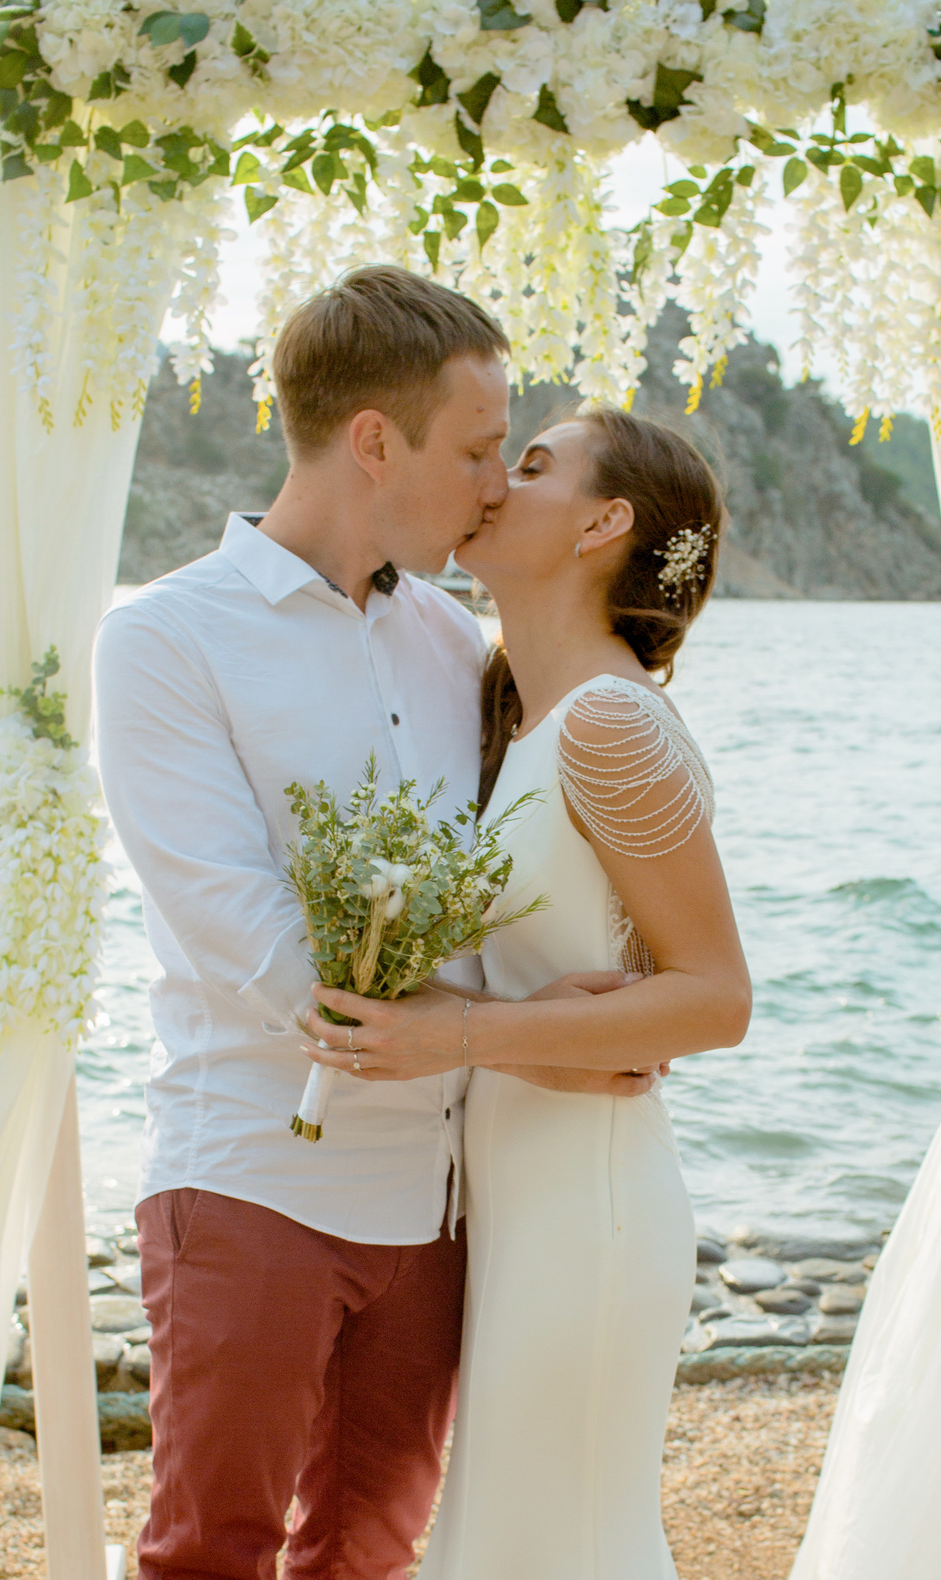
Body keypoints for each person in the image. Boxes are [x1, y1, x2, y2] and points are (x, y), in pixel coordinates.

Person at [93, 267, 654, 1580]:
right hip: (249, 1177)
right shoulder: (167, 640)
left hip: (433, 1202)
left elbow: (501, 886)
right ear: (371, 442)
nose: (491, 486)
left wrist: (577, 1005)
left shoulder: (454, 645)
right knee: (209, 1552)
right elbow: (236, 926)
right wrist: (501, 1039)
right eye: (471, 449)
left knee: (369, 1554)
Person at [304, 405, 752, 1577]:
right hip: (523, 1200)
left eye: (536, 464)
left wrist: (451, 1034)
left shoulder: (608, 722)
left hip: (588, 1212)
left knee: (559, 1543)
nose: (499, 477)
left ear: (606, 522)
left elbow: (717, 997)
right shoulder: (532, 722)